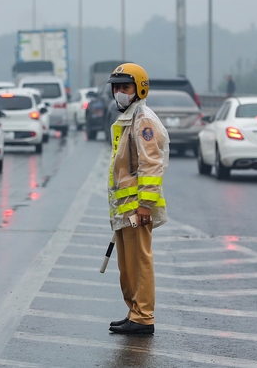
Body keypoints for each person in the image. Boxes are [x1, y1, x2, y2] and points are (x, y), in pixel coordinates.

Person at [106, 63, 169, 335]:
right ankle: (134, 311)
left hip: (137, 208)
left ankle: (143, 317)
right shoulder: (130, 117)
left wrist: (145, 205)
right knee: (127, 264)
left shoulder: (143, 120)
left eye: (125, 87)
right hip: (126, 206)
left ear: (139, 89)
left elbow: (151, 165)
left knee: (139, 262)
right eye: (116, 87)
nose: (120, 92)